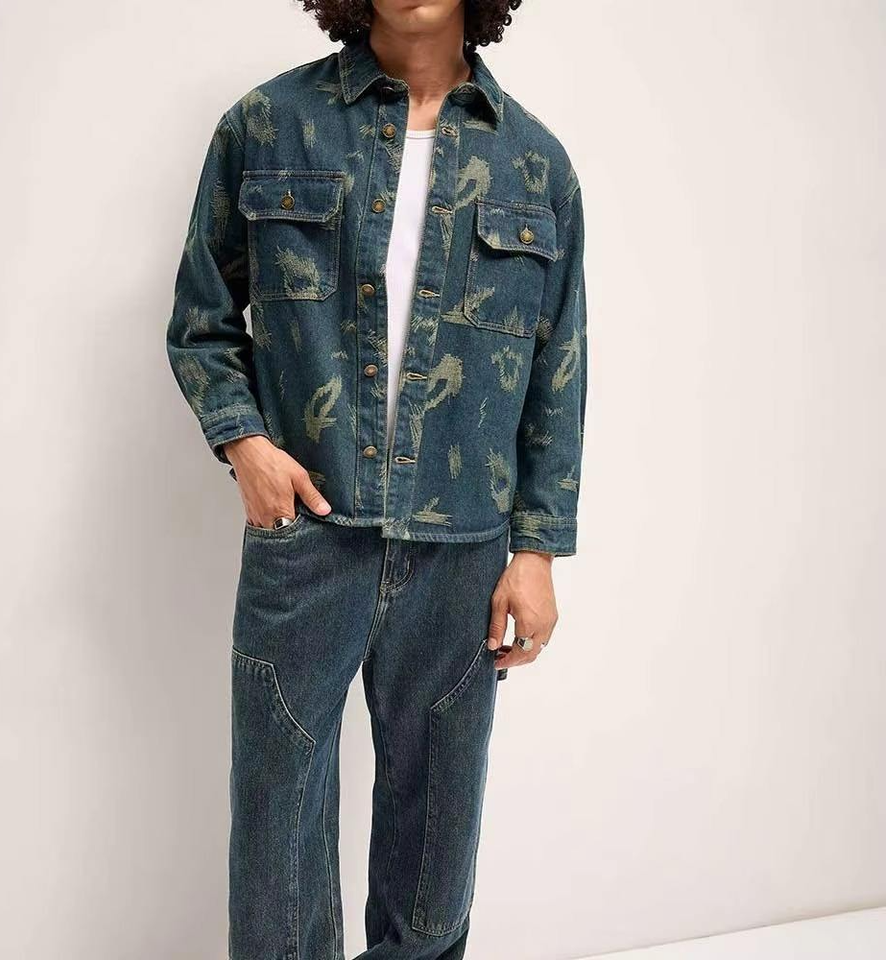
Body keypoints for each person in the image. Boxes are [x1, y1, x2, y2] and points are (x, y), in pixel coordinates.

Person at [166, 1, 587, 957]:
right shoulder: (267, 126)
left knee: (436, 870)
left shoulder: (536, 165)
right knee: (275, 860)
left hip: (462, 555)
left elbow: (558, 373)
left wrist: (536, 551)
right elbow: (201, 320)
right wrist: (245, 446)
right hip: (306, 540)